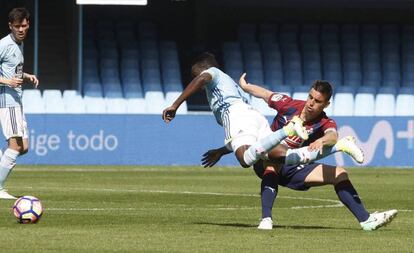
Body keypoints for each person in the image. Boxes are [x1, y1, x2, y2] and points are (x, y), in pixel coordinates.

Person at [202, 74, 397, 231]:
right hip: (267, 160)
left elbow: (332, 135)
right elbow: (266, 94)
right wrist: (246, 87)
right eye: (310, 97)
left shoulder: (324, 122)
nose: (311, 103)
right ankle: (266, 220)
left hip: (296, 165)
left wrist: (321, 140)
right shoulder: (289, 105)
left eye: (318, 101)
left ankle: (366, 221)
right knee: (273, 161)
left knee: (340, 174)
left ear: (326, 105)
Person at [162, 52, 310, 171]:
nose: (197, 80)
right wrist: (221, 151)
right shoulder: (229, 84)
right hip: (254, 116)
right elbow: (244, 133)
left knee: (245, 159)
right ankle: (314, 153)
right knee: (277, 155)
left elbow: (202, 79)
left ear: (204, 68)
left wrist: (175, 105)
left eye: (196, 75)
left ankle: (287, 130)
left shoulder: (213, 72)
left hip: (236, 113)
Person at [0, 7, 39, 199]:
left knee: (23, 147)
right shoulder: (4, 45)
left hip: (17, 100)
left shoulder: (19, 44)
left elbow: (10, 70)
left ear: (28, 24)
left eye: (24, 26)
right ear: (10, 26)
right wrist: (7, 82)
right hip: (7, 101)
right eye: (17, 26)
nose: (21, 29)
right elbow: (7, 77)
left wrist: (26, 75)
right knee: (14, 147)